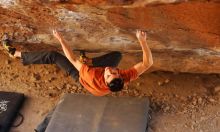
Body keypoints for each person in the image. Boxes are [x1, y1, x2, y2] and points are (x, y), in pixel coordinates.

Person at [1, 30, 153, 96]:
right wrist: (142, 41)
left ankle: (16, 54)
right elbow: (147, 64)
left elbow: (72, 59)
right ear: (120, 76)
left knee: (53, 56)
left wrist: (61, 39)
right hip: (95, 81)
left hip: (80, 78)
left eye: (108, 74)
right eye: (114, 72)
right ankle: (87, 60)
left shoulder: (91, 74)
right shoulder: (123, 78)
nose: (109, 70)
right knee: (117, 55)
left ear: (105, 80)